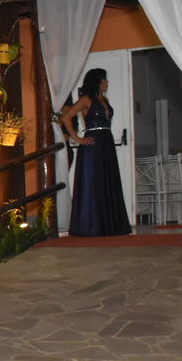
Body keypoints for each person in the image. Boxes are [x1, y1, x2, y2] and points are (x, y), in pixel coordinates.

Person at [61, 69, 132, 236]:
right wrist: (78, 139)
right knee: (93, 183)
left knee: (107, 182)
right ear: (97, 82)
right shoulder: (86, 99)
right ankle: (90, 226)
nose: (107, 83)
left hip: (106, 142)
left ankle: (109, 225)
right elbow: (66, 117)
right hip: (92, 145)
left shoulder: (105, 100)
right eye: (104, 80)